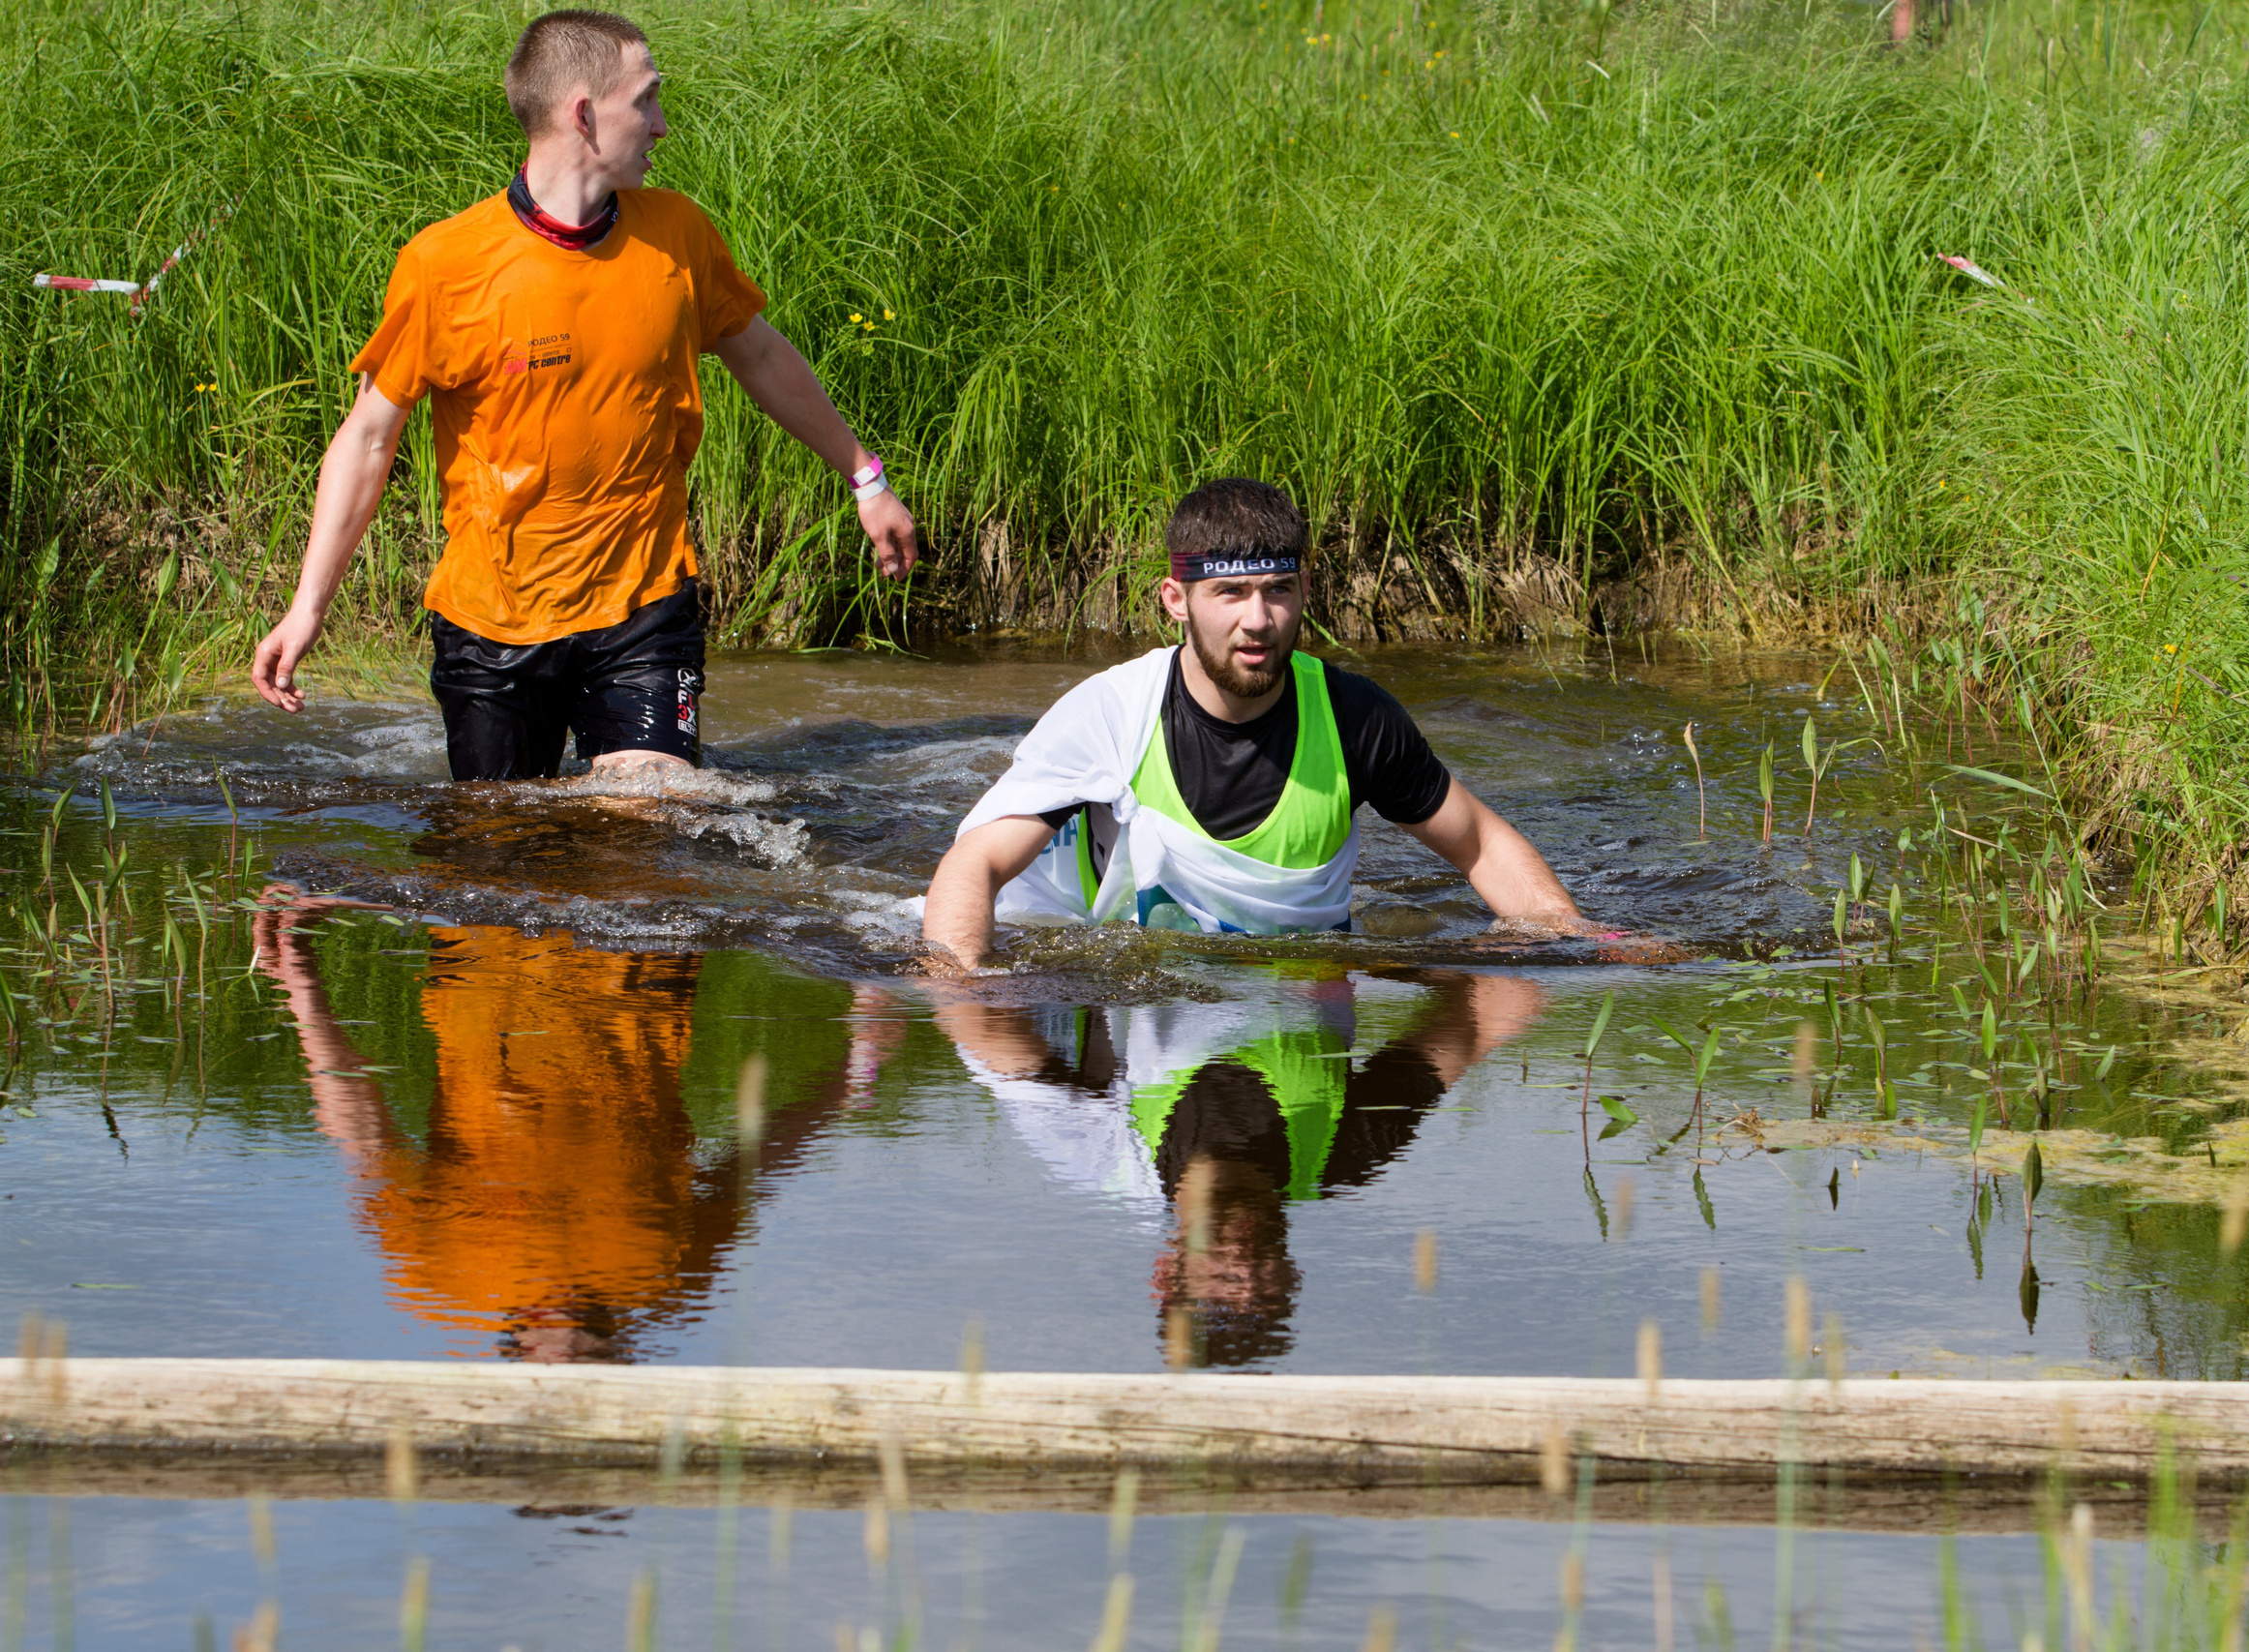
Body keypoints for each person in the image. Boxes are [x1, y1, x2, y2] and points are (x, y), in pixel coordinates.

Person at [248, 9, 917, 781]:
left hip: (645, 606)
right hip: (492, 623)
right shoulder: (446, 266)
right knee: (504, 846)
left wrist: (866, 477)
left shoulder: (679, 234)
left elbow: (762, 356)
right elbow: (369, 437)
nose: (661, 124)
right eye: (646, 100)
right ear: (583, 114)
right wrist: (309, 607)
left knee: (649, 820)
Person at [921, 477, 1615, 967]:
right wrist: (959, 988)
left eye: (1277, 590)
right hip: (1131, 1000)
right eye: (1229, 592)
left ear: (1304, 589)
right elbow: (976, 861)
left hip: (1301, 991)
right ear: (1176, 599)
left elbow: (1481, 844)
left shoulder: (1355, 716)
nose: (1258, 620)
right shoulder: (1109, 712)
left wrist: (1574, 937)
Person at [253, 890, 904, 1361]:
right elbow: (749, 1169)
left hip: (488, 959)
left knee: (520, 811)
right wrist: (850, 1074)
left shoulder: (436, 1277)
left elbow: (364, 1131)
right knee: (644, 804)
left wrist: (301, 982)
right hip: (642, 956)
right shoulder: (671, 1280)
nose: (567, 1365)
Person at [935, 972, 1543, 1366]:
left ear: (1166, 1272)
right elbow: (1490, 1011)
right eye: (1270, 1291)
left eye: (1225, 1285)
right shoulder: (1344, 1154)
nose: (1250, 1271)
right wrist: (1411, 965)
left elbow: (972, 1013)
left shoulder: (1100, 1152)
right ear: (1291, 1275)